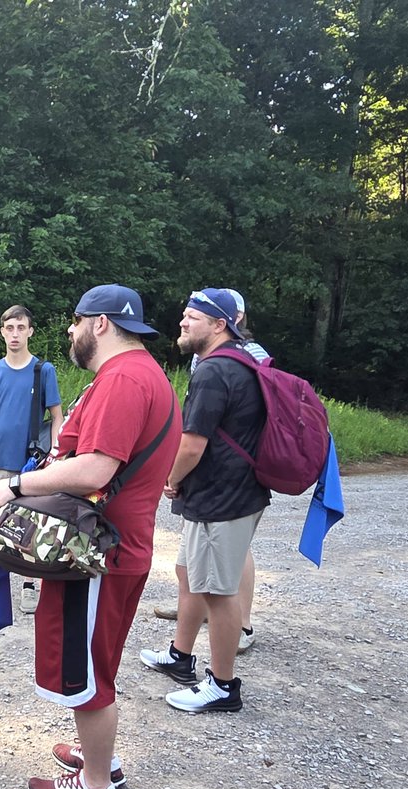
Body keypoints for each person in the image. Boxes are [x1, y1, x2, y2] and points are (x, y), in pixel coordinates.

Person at [0, 284, 180, 789]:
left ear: (102, 324)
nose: (70, 329)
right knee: (97, 661)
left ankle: (94, 788)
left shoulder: (123, 380)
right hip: (111, 548)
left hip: (95, 554)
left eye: (76, 320)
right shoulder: (142, 375)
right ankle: (100, 760)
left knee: (86, 670)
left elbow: (94, 470)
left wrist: (15, 486)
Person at [140, 288, 270, 714]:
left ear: (220, 325)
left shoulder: (215, 371)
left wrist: (170, 480)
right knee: (189, 573)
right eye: (184, 315)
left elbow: (192, 445)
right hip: (230, 491)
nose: (182, 322)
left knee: (217, 591)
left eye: (192, 317)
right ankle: (181, 656)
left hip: (222, 496)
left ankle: (223, 685)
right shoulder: (241, 360)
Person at [0, 305, 63, 614]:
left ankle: (29, 585)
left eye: (21, 327)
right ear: (2, 332)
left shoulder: (43, 371)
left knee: (26, 527)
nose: (15, 334)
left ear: (30, 331)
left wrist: (55, 457)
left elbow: (56, 417)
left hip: (28, 462)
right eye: (9, 328)